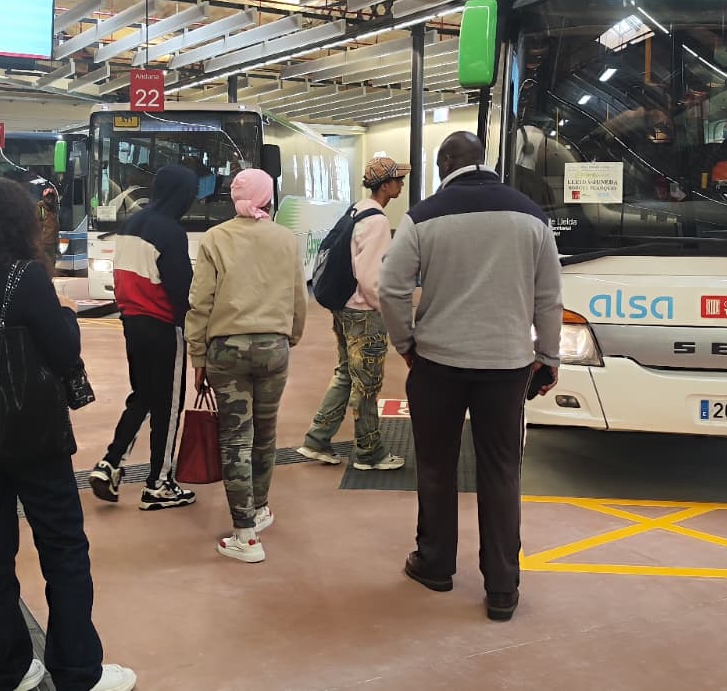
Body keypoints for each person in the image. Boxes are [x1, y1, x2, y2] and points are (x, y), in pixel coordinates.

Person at [0, 178, 135, 691]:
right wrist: (64, 317)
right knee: (62, 549)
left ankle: (4, 668)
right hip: (33, 438)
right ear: (20, 224)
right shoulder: (25, 277)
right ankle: (78, 670)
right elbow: (64, 354)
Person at [379, 132, 563, 622]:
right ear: (485, 163)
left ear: (443, 167)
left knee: (437, 466)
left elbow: (391, 288)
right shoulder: (530, 215)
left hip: (438, 363)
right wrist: (548, 356)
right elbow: (548, 296)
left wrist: (406, 345)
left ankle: (436, 565)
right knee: (502, 471)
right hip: (506, 367)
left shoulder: (423, 216)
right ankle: (502, 587)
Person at [185, 169, 306, 564]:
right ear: (268, 197)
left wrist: (197, 355)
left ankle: (245, 536)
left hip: (227, 350)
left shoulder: (216, 239)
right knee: (266, 433)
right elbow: (297, 296)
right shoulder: (286, 239)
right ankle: (260, 509)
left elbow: (200, 302)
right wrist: (292, 336)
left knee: (236, 437)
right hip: (274, 348)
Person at [89, 166, 197, 509]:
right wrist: (194, 329)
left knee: (144, 396)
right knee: (169, 404)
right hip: (164, 325)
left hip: (132, 322)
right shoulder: (171, 232)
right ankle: (159, 483)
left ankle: (111, 462)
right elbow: (181, 289)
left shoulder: (132, 224)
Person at [296, 156, 410, 472]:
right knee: (367, 384)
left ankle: (317, 439)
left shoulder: (356, 210)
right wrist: (386, 310)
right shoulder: (376, 222)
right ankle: (369, 452)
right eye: (398, 180)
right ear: (385, 185)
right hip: (363, 313)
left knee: (346, 373)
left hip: (343, 308)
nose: (401, 184)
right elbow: (372, 278)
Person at [36, 184, 61, 265]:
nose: (50, 199)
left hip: (52, 246)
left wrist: (57, 248)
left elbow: (56, 230)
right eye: (48, 197)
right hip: (42, 245)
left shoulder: (54, 211)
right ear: (44, 198)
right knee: (42, 266)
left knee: (51, 267)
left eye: (52, 197)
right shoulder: (39, 209)